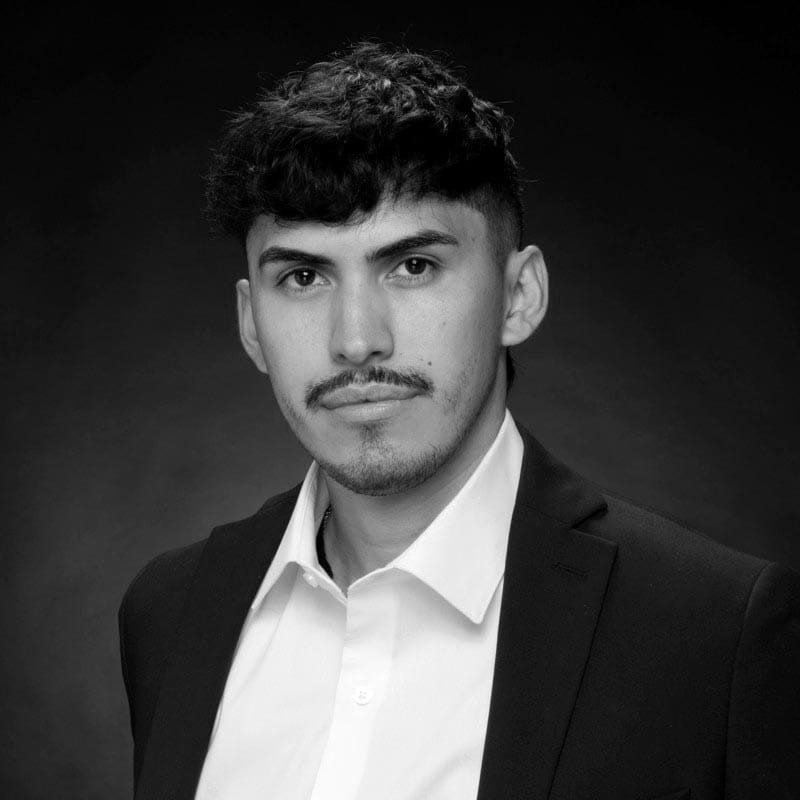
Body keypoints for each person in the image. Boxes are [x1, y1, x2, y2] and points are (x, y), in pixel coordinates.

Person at [118, 42, 800, 800]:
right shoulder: (170, 611)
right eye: (304, 276)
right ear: (252, 324)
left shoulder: (716, 633)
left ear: (518, 297)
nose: (356, 339)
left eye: (412, 266)